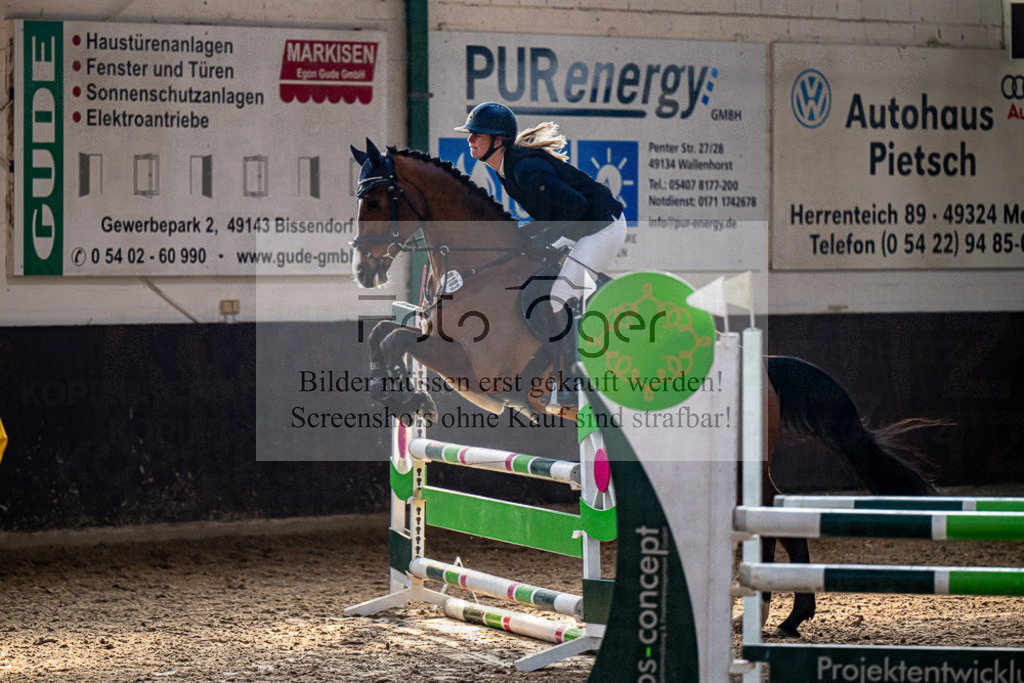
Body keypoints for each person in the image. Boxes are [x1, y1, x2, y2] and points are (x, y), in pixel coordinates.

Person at [456, 101, 626, 411]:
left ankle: (573, 383)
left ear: (498, 141)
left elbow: (576, 207)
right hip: (583, 226)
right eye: (470, 135)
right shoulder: (509, 168)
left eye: (477, 135)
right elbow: (556, 213)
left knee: (559, 296)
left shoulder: (524, 168)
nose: (470, 140)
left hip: (602, 228)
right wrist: (528, 232)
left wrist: (544, 235)